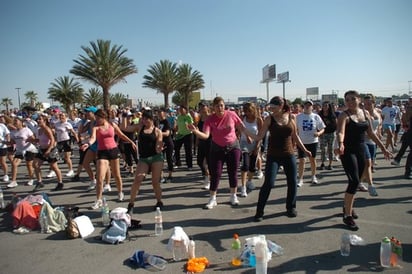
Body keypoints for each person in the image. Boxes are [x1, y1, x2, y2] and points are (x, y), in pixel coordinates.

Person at [243, 96, 311, 220]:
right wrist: (244, 130)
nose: (270, 109)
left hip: (289, 154)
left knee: (292, 182)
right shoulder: (269, 119)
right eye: (270, 107)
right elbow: (259, 137)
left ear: (281, 106)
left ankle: (290, 207)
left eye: (273, 107)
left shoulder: (292, 117)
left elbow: (295, 135)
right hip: (273, 156)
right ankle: (260, 211)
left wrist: (304, 149)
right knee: (268, 183)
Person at [335, 90, 391, 230]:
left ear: (359, 99)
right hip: (347, 151)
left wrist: (383, 148)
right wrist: (341, 143)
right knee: (354, 181)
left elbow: (371, 133)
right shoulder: (344, 115)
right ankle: (347, 216)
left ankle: (347, 206)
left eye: (353, 99)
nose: (350, 102)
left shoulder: (365, 114)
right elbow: (340, 132)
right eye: (347, 100)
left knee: (357, 181)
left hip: (361, 149)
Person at [188, 97, 244, 209]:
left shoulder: (231, 114)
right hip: (217, 148)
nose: (220, 108)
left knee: (232, 172)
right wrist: (195, 131)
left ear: (224, 106)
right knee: (215, 174)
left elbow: (242, 127)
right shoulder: (209, 119)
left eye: (222, 105)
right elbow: (206, 135)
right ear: (213, 107)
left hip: (233, 147)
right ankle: (212, 199)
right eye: (217, 106)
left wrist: (250, 137)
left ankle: (233, 196)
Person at [80, 109, 136, 209]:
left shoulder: (112, 125)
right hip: (102, 153)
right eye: (96, 118)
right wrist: (87, 144)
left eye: (98, 118)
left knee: (116, 174)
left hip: (113, 151)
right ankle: (98, 200)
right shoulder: (96, 128)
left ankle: (120, 192)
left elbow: (121, 135)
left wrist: (131, 142)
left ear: (104, 117)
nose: (96, 120)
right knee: (100, 177)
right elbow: (92, 138)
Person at [121, 110, 164, 214]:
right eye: (143, 118)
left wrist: (160, 148)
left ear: (151, 119)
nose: (143, 121)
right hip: (143, 159)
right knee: (138, 179)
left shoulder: (158, 131)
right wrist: (126, 116)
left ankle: (159, 201)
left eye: (146, 119)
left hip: (156, 158)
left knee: (155, 182)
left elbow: (158, 146)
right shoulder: (139, 127)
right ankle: (131, 204)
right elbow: (124, 128)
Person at [296, 100, 325, 186]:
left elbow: (323, 128)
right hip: (302, 142)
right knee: (302, 160)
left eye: (309, 105)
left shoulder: (316, 116)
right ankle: (300, 179)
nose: (308, 107)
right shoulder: (298, 117)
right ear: (303, 107)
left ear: (312, 107)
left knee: (312, 159)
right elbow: (295, 129)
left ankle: (313, 176)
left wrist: (319, 133)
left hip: (313, 141)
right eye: (306, 105)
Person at [32, 115, 64, 191]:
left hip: (51, 149)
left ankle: (60, 183)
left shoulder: (47, 129)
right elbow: (39, 140)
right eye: (38, 119)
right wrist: (31, 140)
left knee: (54, 167)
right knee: (35, 165)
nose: (38, 121)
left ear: (45, 121)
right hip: (42, 149)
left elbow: (52, 140)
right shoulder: (39, 130)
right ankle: (39, 182)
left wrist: (49, 150)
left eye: (40, 119)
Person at [358, 94, 382, 196]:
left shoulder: (378, 113)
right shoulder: (362, 114)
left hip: (373, 141)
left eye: (369, 103)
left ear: (373, 103)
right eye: (365, 103)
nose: (366, 105)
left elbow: (379, 125)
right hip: (364, 141)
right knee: (368, 163)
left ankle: (358, 182)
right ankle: (371, 185)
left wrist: (379, 133)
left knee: (369, 164)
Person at [239, 102, 263, 197]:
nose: (247, 113)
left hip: (255, 143)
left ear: (253, 110)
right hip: (244, 143)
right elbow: (240, 128)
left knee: (252, 167)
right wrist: (246, 135)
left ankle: (249, 181)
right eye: (246, 111)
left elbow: (260, 134)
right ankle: (243, 187)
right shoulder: (243, 118)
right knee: (245, 165)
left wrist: (257, 147)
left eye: (249, 111)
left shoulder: (258, 120)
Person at [7, 116, 38, 188]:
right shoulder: (12, 132)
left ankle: (31, 179)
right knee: (14, 164)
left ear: (21, 122)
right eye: (14, 121)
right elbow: (12, 142)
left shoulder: (26, 130)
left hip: (29, 149)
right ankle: (13, 181)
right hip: (19, 150)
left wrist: (29, 140)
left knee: (29, 165)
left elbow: (33, 139)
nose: (15, 122)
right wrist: (4, 142)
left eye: (16, 121)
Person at [54, 112, 78, 177]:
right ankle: (53, 170)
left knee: (67, 157)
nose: (62, 117)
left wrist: (78, 140)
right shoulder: (56, 124)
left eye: (63, 116)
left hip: (66, 141)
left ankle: (71, 170)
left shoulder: (67, 124)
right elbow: (55, 133)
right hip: (59, 141)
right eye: (60, 116)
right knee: (56, 156)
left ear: (66, 117)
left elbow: (73, 132)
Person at [196, 102, 212, 189]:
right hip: (201, 142)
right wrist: (196, 142)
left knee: (209, 162)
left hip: (210, 142)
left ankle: (208, 180)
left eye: (203, 107)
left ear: (207, 108)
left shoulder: (211, 117)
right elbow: (198, 130)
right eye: (200, 107)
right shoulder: (199, 118)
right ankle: (207, 174)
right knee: (199, 161)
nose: (202, 109)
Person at [318, 102, 337, 170]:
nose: (325, 107)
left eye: (326, 106)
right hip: (323, 133)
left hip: (331, 134)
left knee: (330, 149)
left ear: (329, 107)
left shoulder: (332, 115)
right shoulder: (320, 114)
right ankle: (322, 163)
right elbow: (317, 124)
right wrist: (319, 132)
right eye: (324, 106)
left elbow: (335, 124)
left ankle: (330, 164)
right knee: (323, 149)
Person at [174, 105, 193, 170]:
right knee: (176, 149)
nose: (181, 111)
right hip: (180, 134)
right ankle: (178, 163)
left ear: (185, 110)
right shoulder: (179, 116)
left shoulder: (188, 116)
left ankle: (189, 165)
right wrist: (176, 131)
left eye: (182, 109)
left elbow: (191, 125)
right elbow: (177, 125)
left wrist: (188, 125)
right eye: (180, 109)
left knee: (188, 150)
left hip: (188, 135)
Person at [158, 108, 174, 183]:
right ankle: (161, 176)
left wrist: (158, 133)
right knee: (160, 160)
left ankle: (170, 175)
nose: (159, 115)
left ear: (164, 114)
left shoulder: (166, 122)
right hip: (161, 143)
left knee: (169, 159)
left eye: (161, 114)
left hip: (168, 142)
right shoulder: (158, 122)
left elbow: (167, 133)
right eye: (158, 114)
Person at [0, 115, 11, 182]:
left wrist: (8, 141)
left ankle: (6, 175)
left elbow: (7, 134)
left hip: (2, 146)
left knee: (2, 161)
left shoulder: (2, 125)